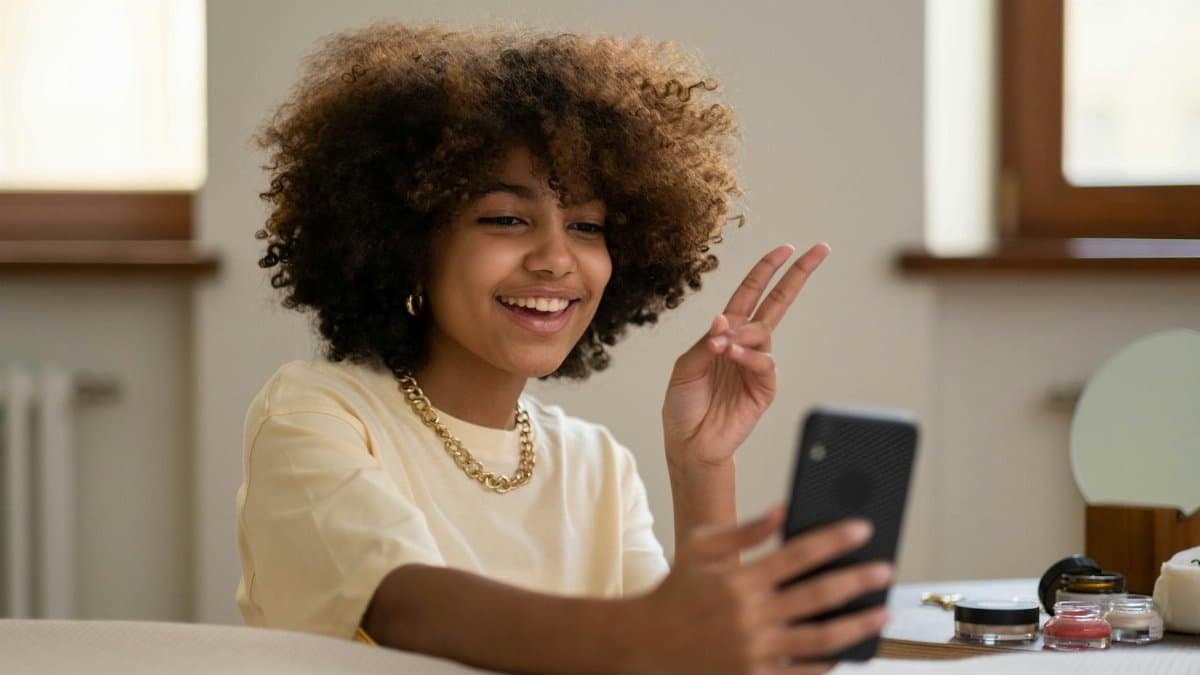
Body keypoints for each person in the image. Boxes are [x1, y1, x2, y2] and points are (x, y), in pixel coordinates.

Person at [236, 23, 891, 674]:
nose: (555, 258)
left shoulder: (596, 464)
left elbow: (692, 654)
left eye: (586, 225)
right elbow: (410, 609)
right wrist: (666, 640)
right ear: (407, 244)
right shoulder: (314, 413)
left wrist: (701, 467)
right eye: (505, 218)